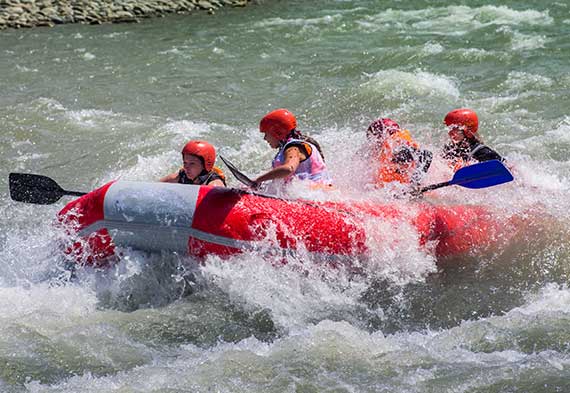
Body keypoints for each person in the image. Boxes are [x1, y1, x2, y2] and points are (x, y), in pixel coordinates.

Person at [252, 108, 332, 190]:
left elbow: (288, 169)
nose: (265, 138)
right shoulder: (294, 145)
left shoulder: (293, 148)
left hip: (316, 198)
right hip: (317, 195)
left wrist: (259, 179)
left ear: (277, 133)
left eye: (266, 134)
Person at [366, 117, 432, 188]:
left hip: (405, 187)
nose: (373, 143)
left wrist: (415, 183)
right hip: (398, 188)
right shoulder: (378, 153)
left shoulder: (394, 143)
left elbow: (426, 155)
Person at [160, 140, 226, 186]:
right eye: (185, 162)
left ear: (204, 165)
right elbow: (156, 186)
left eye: (192, 163)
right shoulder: (180, 176)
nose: (186, 167)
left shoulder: (214, 184)